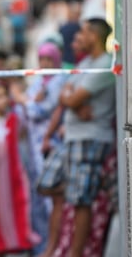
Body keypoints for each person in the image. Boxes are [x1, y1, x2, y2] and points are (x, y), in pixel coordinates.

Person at [59, 18, 115, 257]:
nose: (79, 36)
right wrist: (73, 102)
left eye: (83, 32)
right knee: (74, 198)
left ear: (94, 35)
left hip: (90, 138)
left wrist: (73, 101)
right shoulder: (89, 62)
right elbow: (65, 94)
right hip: (78, 137)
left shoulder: (103, 64)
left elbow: (69, 98)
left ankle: (77, 254)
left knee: (82, 200)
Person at [10, 41, 67, 256]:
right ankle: (40, 246)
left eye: (48, 60)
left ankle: (55, 247)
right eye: (41, 59)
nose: (44, 63)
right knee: (36, 199)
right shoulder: (40, 81)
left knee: (50, 200)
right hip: (32, 149)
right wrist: (27, 100)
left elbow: (38, 111)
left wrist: (22, 99)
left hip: (49, 146)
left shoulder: (58, 81)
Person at [0, 82, 38, 256]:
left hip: (11, 173)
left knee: (16, 204)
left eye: (5, 95)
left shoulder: (13, 120)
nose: (3, 100)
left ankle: (15, 240)